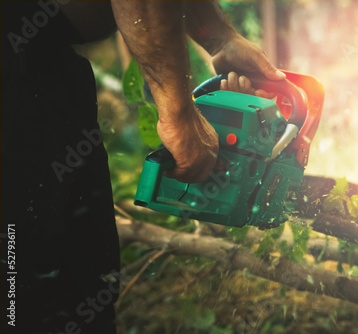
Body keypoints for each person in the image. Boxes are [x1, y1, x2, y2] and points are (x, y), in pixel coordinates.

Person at [0, 1, 284, 333]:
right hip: (17, 63)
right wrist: (178, 115)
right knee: (35, 287)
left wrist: (219, 37)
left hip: (41, 57)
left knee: (74, 282)